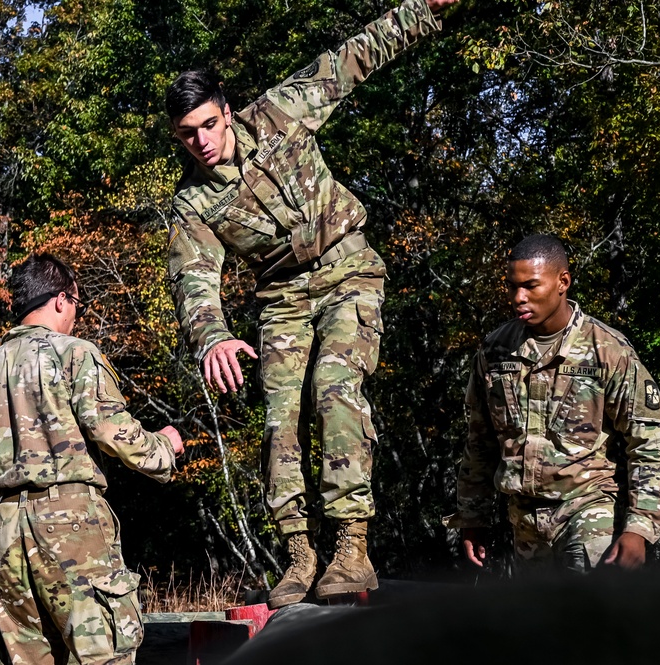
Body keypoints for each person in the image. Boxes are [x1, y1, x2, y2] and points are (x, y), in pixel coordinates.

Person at [165, 0, 458, 607]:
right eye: (188, 134)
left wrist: (422, 11)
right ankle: (300, 553)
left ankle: (352, 545)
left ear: (226, 111)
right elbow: (193, 279)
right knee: (279, 417)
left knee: (334, 385)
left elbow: (354, 57)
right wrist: (213, 336)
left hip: (346, 266)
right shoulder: (192, 203)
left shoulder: (279, 112)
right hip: (281, 298)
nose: (202, 142)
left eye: (209, 125)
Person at [0, 253, 184, 665]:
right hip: (73, 526)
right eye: (78, 304)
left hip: (7, 534)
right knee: (105, 655)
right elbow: (113, 431)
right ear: (60, 300)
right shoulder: (72, 354)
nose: (77, 314)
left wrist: (1, 530)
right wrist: (164, 447)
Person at [444, 235, 660, 572]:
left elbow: (650, 444)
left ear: (562, 282)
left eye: (530, 286)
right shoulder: (495, 352)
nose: (518, 297)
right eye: (512, 287)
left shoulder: (607, 352)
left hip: (588, 510)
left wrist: (639, 528)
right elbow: (479, 441)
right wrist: (472, 516)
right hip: (524, 521)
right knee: (539, 623)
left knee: (585, 617)